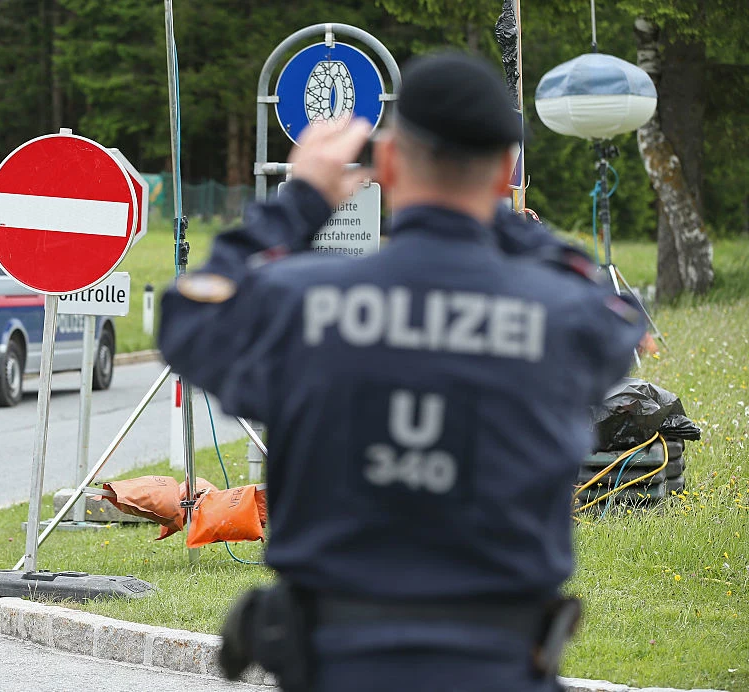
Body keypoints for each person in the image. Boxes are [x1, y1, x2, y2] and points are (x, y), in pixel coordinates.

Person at [157, 51, 645, 692]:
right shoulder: (561, 315)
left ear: (387, 165)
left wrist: (299, 202)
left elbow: (190, 315)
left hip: (339, 665)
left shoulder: (298, 303)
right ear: (502, 172)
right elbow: (615, 310)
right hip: (496, 668)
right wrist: (503, 222)